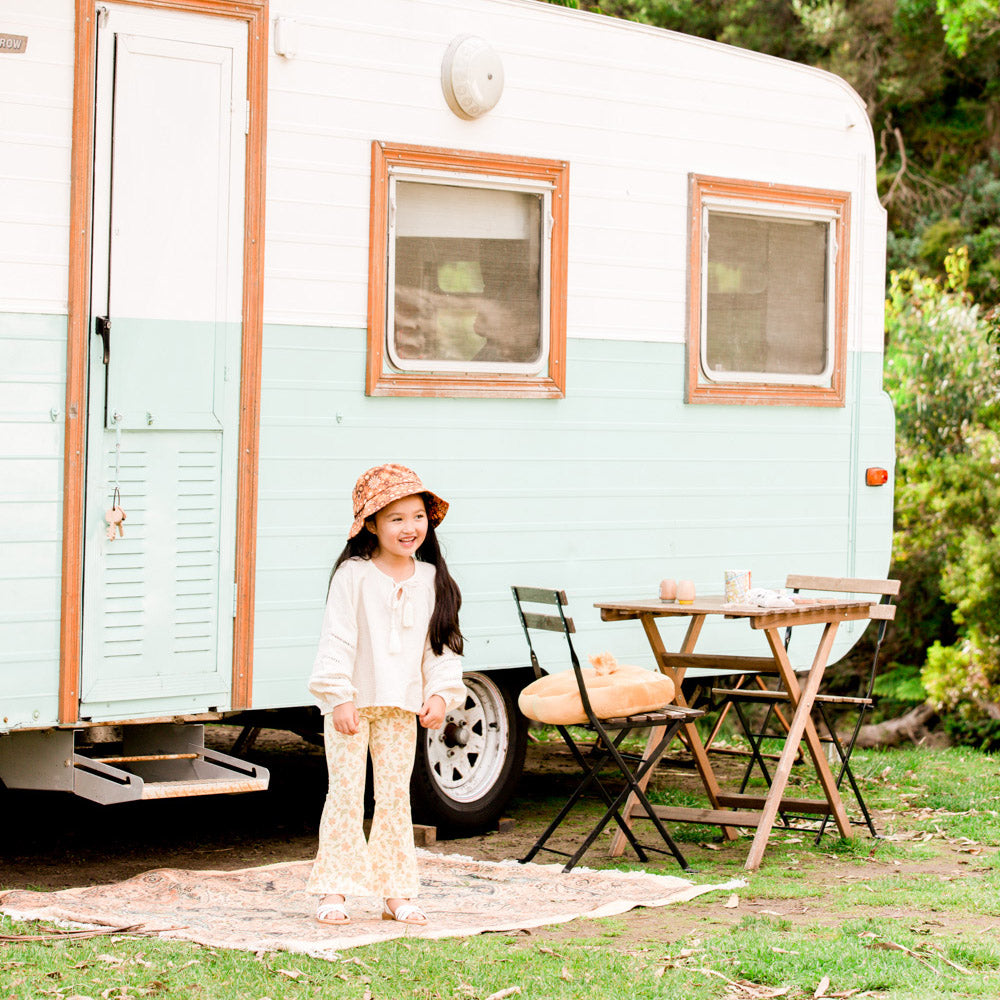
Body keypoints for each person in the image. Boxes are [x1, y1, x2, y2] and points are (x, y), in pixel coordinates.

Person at [305, 463, 466, 927]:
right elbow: (336, 639)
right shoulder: (353, 576)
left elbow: (442, 646)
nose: (409, 527)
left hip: (401, 709)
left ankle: (396, 893)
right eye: (395, 518)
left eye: (417, 516)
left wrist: (440, 695)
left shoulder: (434, 580)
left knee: (396, 797)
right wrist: (339, 697)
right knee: (346, 794)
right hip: (352, 706)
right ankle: (334, 889)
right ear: (371, 525)